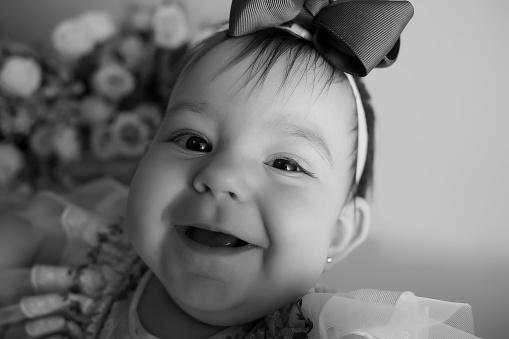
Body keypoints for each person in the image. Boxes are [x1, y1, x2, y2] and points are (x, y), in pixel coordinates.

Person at [0, 0, 481, 338]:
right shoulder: (92, 261)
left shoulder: (332, 331)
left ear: (339, 232)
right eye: (194, 141)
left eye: (286, 163)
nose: (223, 175)